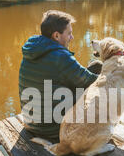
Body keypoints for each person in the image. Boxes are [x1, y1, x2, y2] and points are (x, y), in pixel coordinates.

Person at [18, 10, 102, 141]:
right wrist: (118, 73)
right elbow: (94, 82)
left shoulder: (33, 50)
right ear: (56, 36)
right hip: (52, 130)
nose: (72, 37)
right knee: (101, 78)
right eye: (69, 33)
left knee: (96, 66)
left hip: (31, 124)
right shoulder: (60, 57)